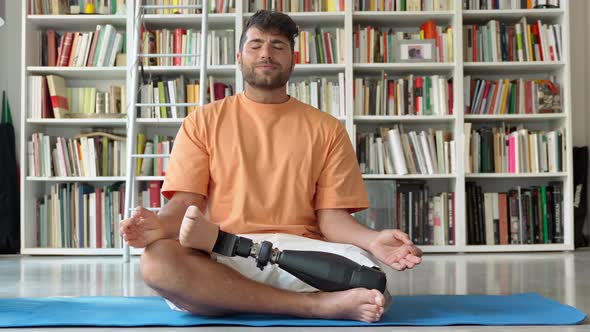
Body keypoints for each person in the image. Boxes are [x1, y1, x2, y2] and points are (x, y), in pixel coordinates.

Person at [120, 10, 423, 323]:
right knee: (157, 261)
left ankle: (224, 299)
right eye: (256, 45)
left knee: (372, 284)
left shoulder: (327, 129)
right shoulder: (202, 122)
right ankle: (316, 306)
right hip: (223, 251)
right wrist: (157, 225)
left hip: (302, 257)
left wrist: (372, 240)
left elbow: (332, 218)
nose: (266, 53)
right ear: (239, 57)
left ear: (294, 59)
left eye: (278, 46)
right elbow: (184, 204)